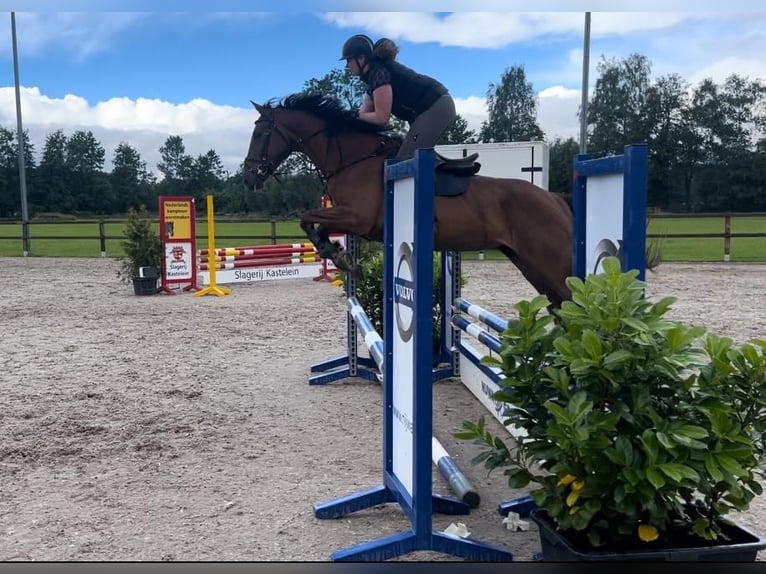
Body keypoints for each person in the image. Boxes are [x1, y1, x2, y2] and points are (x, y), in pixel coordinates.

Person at [340, 34, 456, 160]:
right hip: (430, 108)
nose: (347, 66)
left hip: (437, 107)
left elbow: (381, 118)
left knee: (406, 159)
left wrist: (351, 115)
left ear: (361, 58)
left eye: (348, 60)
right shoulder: (372, 78)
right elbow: (363, 115)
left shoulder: (380, 73)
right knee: (409, 155)